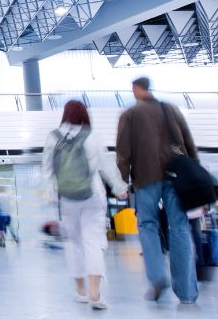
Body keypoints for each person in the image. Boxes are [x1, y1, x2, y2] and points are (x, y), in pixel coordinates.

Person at [116, 76, 198, 304]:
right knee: (180, 228)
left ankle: (157, 276)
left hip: (146, 177)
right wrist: (195, 175)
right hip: (176, 176)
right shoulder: (170, 110)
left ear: (136, 89)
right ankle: (187, 293)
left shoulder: (129, 115)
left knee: (147, 225)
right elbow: (189, 143)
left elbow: (123, 152)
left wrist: (121, 183)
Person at [45, 100, 128, 309]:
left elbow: (47, 170)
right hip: (92, 195)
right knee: (93, 242)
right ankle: (95, 293)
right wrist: (119, 188)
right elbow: (107, 166)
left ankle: (81, 291)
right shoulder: (91, 135)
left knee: (73, 243)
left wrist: (52, 195)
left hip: (65, 198)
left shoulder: (53, 137)